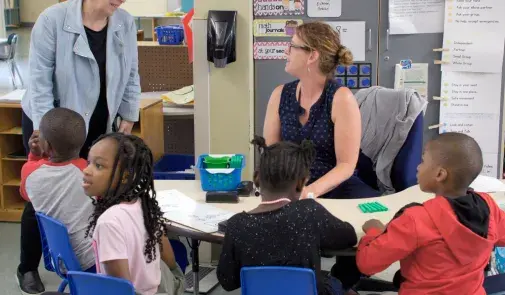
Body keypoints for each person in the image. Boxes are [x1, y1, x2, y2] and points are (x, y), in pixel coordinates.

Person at [18, 0, 141, 290]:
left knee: (92, 192)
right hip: (55, 126)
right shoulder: (53, 20)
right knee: (45, 192)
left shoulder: (124, 22)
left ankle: (92, 258)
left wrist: (129, 115)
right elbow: (39, 82)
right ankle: (27, 267)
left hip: (100, 122)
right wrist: (44, 131)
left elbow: (132, 74)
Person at [356, 133, 505, 295]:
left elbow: (367, 263)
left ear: (440, 174)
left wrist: (374, 232)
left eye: (423, 161)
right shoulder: (488, 205)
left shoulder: (416, 219)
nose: (418, 167)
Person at [217, 136, 358, 295]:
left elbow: (227, 281)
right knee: (336, 283)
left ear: (257, 178)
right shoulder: (309, 212)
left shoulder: (236, 224)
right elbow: (349, 237)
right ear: (300, 183)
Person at [263, 21, 378, 199]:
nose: (286, 51)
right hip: (290, 190)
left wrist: (309, 192)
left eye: (292, 46)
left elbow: (346, 165)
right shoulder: (279, 95)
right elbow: (272, 155)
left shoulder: (341, 99)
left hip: (335, 190)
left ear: (312, 56)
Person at [83, 133, 184, 295]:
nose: (86, 170)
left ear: (125, 176)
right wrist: (176, 282)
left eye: (98, 166)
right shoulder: (142, 205)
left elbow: (121, 289)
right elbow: (169, 259)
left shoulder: (108, 223)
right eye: (89, 162)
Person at [17, 108, 95, 293]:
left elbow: (26, 195)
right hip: (95, 258)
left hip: (62, 259)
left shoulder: (30, 173)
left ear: (47, 145)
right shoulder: (89, 172)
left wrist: (35, 156)